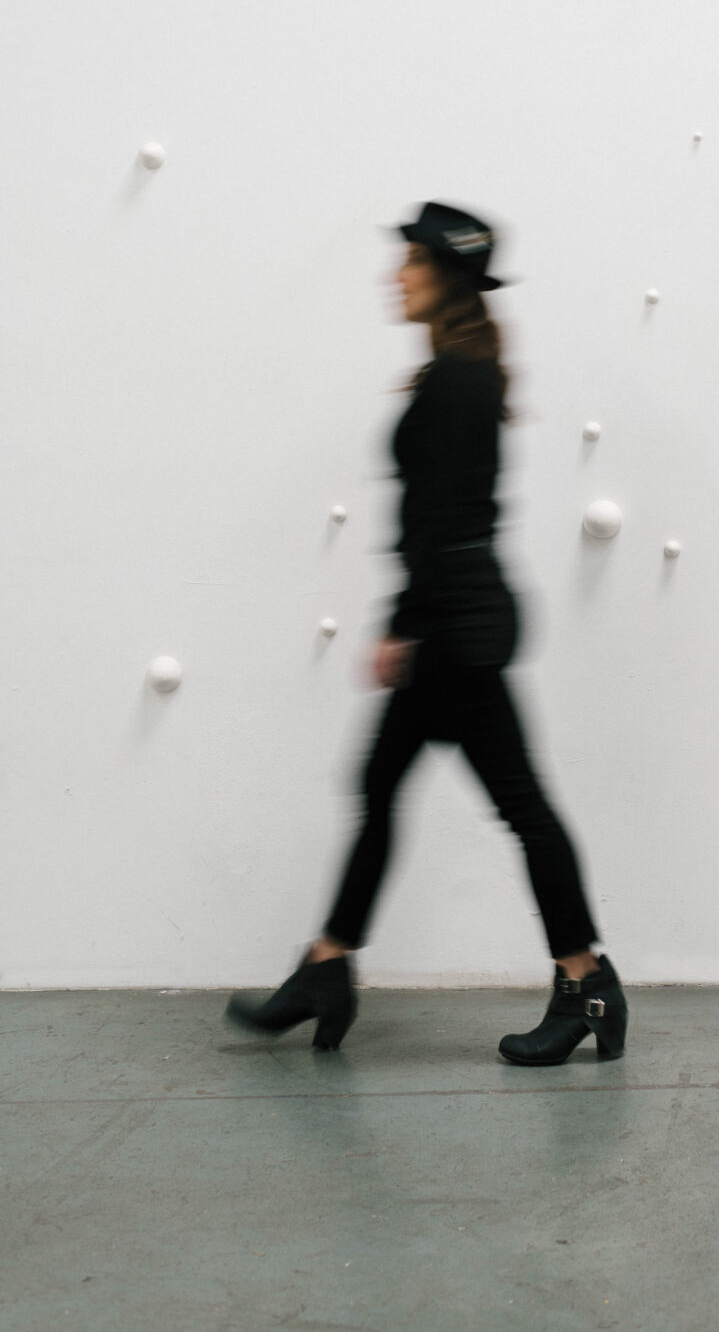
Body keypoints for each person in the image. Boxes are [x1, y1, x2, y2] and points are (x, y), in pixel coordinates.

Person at [225, 201, 627, 1063]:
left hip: (457, 628)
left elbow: (443, 521)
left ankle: (586, 983)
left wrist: (407, 627)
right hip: (461, 617)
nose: (393, 275)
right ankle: (328, 967)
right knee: (383, 786)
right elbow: (445, 519)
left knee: (515, 807)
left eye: (407, 262)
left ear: (442, 274)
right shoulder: (460, 371)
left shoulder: (456, 379)